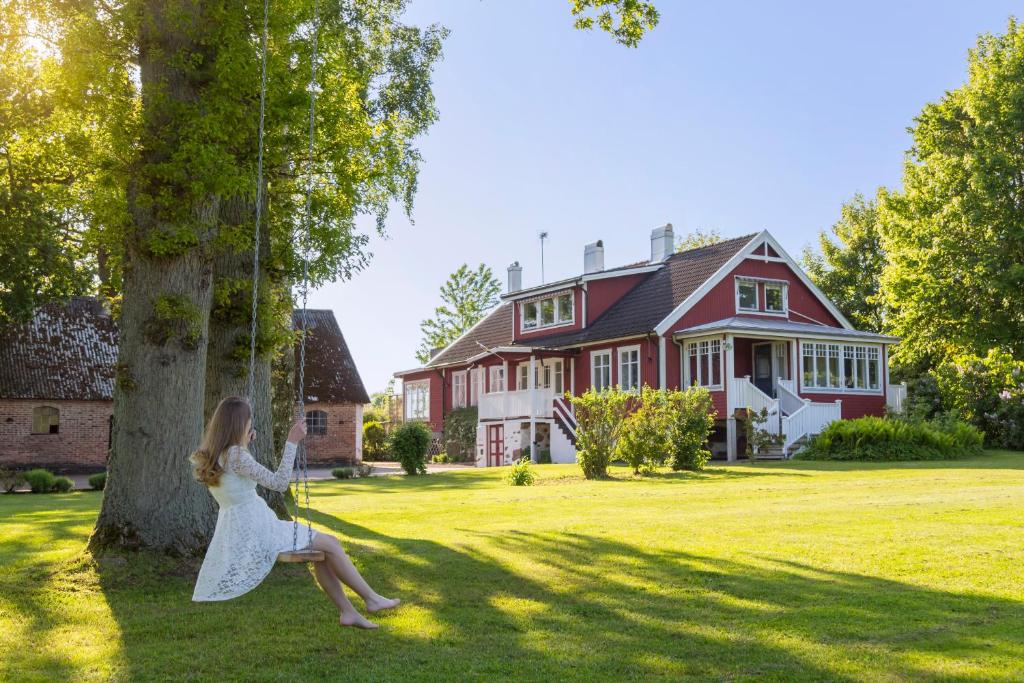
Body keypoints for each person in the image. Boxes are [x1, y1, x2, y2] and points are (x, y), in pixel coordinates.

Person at [190, 396, 399, 628]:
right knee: (332, 544)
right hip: (260, 529)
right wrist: (292, 442)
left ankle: (348, 612)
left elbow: (237, 480)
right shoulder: (237, 456)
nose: (251, 425)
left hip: (243, 528)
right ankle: (371, 599)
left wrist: (245, 444)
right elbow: (279, 483)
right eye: (249, 421)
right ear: (240, 424)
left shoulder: (216, 455)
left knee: (323, 551)